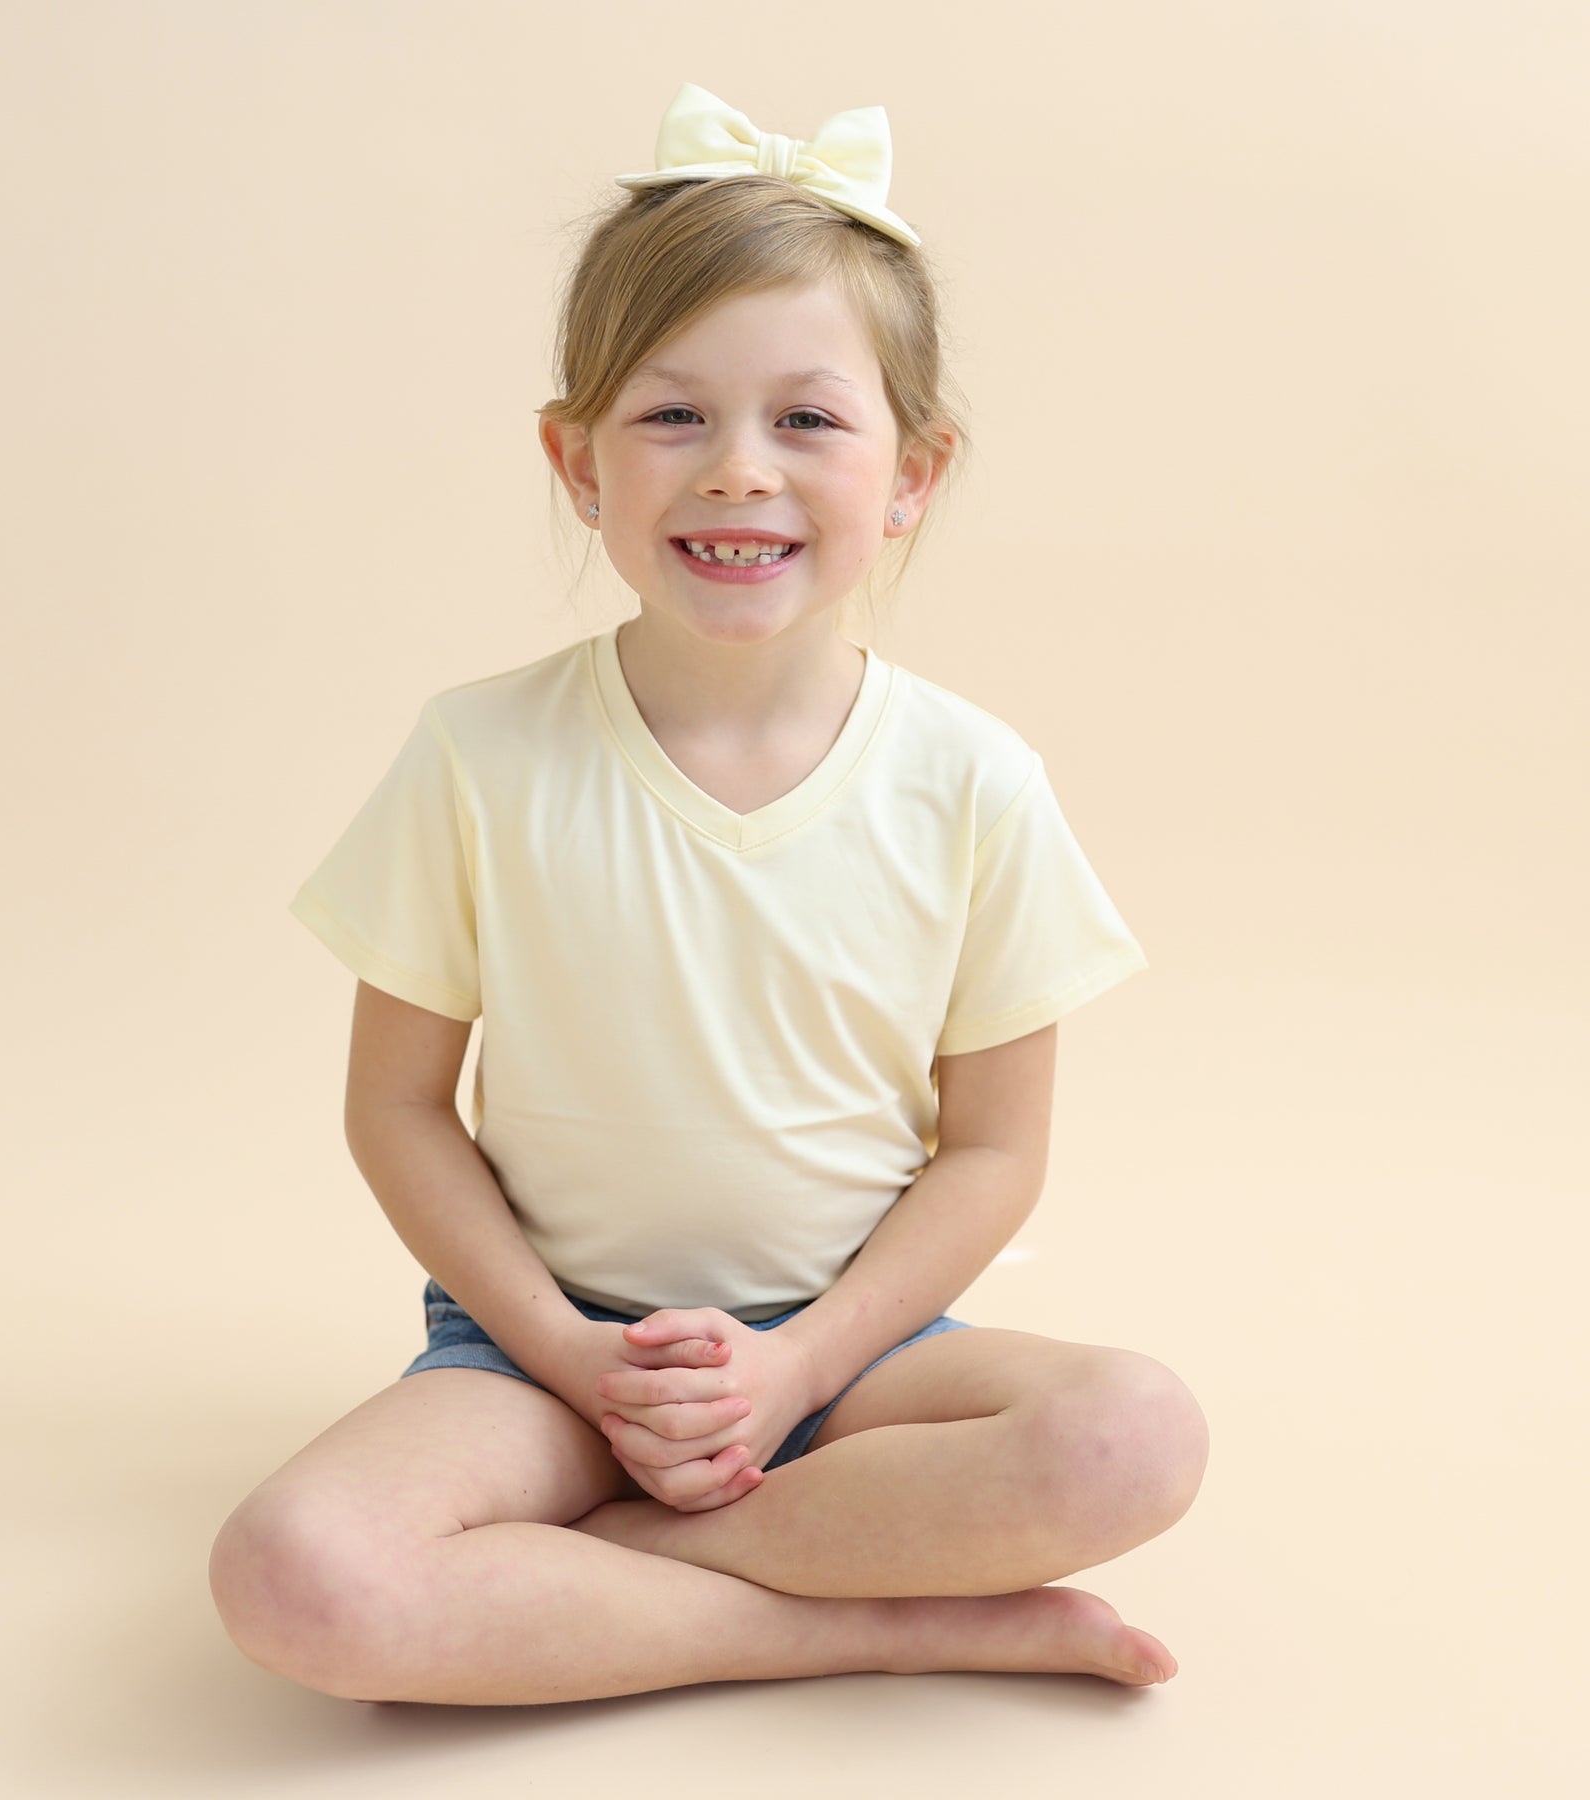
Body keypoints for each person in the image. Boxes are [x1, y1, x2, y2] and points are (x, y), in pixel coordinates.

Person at [208, 81, 1209, 1707]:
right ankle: (881, 1617)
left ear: (914, 473)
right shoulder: (479, 756)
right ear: (577, 461)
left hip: (861, 1358)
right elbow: (396, 1107)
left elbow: (996, 1150)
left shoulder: (974, 780)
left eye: (808, 421)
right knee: (292, 1577)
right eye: (673, 416)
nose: (739, 471)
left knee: (1135, 1434)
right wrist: (572, 1356)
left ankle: (587, 1576)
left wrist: (799, 1364)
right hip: (545, 1363)